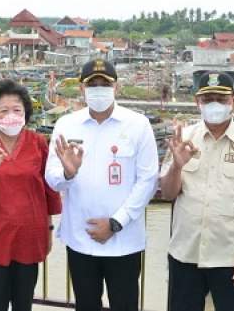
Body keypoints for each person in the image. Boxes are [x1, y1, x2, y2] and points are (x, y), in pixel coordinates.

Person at [45, 59, 158, 311]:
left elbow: (148, 180)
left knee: (125, 305)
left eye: (104, 84)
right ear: (82, 90)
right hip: (81, 240)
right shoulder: (66, 124)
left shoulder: (138, 124)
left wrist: (116, 222)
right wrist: (68, 172)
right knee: (86, 305)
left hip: (124, 241)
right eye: (92, 84)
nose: (98, 89)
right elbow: (51, 179)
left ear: (116, 87)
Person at [159, 71, 234, 311]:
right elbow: (169, 194)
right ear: (197, 102)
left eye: (221, 99)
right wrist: (176, 166)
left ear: (233, 100)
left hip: (231, 258)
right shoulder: (183, 139)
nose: (214, 104)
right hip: (185, 254)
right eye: (208, 99)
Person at [0, 79, 62, 311]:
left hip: (29, 236)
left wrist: (48, 230)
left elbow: (48, 191)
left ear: (26, 111)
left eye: (17, 109)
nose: (11, 115)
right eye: (3, 110)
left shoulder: (38, 142)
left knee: (23, 302)